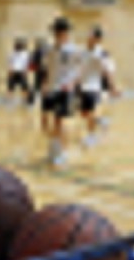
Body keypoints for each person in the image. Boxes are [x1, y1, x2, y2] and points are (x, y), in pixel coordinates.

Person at [41, 17, 84, 167]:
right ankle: (54, 146)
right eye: (56, 32)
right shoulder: (50, 50)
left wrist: (73, 83)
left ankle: (62, 152)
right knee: (45, 121)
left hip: (64, 89)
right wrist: (45, 84)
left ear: (66, 33)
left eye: (61, 32)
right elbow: (48, 69)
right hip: (50, 88)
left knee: (59, 121)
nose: (58, 35)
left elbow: (82, 69)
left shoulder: (74, 50)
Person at [78, 26, 120, 147]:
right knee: (84, 114)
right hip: (82, 86)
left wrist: (113, 88)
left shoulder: (102, 53)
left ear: (98, 39)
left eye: (91, 35)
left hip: (94, 87)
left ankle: (91, 137)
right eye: (88, 34)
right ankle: (101, 120)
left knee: (90, 113)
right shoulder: (83, 52)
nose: (88, 37)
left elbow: (108, 71)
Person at [7, 38, 31, 103]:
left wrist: (25, 71)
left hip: (22, 72)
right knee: (10, 87)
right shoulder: (11, 53)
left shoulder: (25, 54)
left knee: (24, 87)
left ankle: (25, 100)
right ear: (15, 45)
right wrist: (10, 71)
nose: (18, 45)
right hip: (13, 71)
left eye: (20, 44)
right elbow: (10, 63)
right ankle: (9, 100)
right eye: (17, 44)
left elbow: (26, 63)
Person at [29, 38, 49, 105]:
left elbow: (32, 62)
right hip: (42, 70)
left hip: (41, 70)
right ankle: (32, 100)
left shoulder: (35, 52)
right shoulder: (37, 52)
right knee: (39, 86)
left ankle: (34, 100)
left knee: (39, 86)